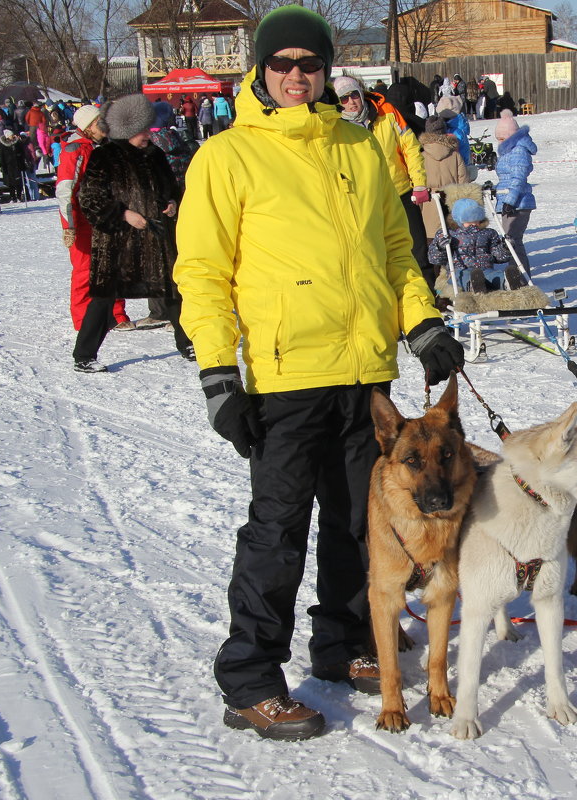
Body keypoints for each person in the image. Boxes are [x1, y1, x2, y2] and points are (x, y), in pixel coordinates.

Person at [172, 4, 463, 742]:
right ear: (261, 71)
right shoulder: (228, 157)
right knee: (277, 533)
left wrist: (422, 324)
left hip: (365, 374)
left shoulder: (361, 148)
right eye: (283, 64)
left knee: (359, 527)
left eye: (310, 64)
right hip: (282, 379)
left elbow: (396, 253)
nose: (297, 77)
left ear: (327, 71)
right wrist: (218, 378)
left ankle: (345, 644)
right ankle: (250, 680)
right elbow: (203, 274)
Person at [71, 94, 194, 372]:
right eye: (141, 130)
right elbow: (89, 199)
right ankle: (84, 355)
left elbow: (170, 189)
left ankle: (187, 343)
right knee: (103, 300)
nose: (147, 135)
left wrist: (172, 204)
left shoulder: (155, 155)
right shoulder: (103, 157)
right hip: (118, 244)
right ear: (126, 129)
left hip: (156, 240)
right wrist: (124, 214)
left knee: (175, 293)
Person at [332, 75, 430, 292]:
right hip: (365, 199)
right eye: (344, 98)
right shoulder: (336, 125)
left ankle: (428, 300)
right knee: (377, 252)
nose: (351, 102)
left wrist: (419, 183)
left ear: (361, 93)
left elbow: (410, 147)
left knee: (417, 249)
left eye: (354, 95)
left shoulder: (387, 112)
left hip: (400, 191)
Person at [56, 105, 132, 331]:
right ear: (88, 126)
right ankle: (83, 321)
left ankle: (116, 315)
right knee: (85, 271)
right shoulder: (75, 150)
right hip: (84, 222)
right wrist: (69, 226)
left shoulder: (105, 147)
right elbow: (65, 190)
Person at [428, 197, 517, 292]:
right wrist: (440, 247)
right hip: (460, 269)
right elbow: (434, 259)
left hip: (485, 269)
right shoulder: (448, 233)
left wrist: (506, 248)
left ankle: (507, 282)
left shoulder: (488, 233)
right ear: (458, 220)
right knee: (462, 276)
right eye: (469, 222)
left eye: (476, 221)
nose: (474, 224)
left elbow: (498, 256)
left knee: (494, 275)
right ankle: (473, 285)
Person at [491, 109, 537, 270]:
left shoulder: (519, 151)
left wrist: (510, 200)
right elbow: (506, 178)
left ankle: (521, 278)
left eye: (502, 138)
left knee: (513, 241)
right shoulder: (510, 150)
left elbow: (518, 178)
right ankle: (515, 274)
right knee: (509, 241)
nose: (500, 142)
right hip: (509, 200)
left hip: (518, 203)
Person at [417, 114, 469, 252]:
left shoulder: (420, 156)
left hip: (429, 202)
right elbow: (463, 181)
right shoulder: (455, 154)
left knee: (433, 243)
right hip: (451, 201)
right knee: (454, 241)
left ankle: (437, 271)